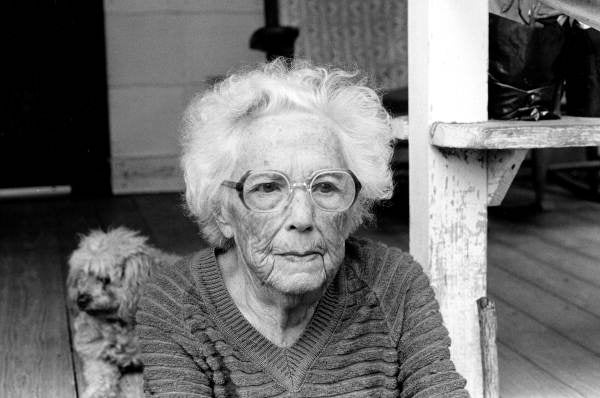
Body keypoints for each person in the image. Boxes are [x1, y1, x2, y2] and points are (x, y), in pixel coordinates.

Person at [136, 59, 469, 397]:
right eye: (267, 188)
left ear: (353, 208)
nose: (303, 217)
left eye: (325, 187)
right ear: (223, 210)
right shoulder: (176, 302)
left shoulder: (394, 283)